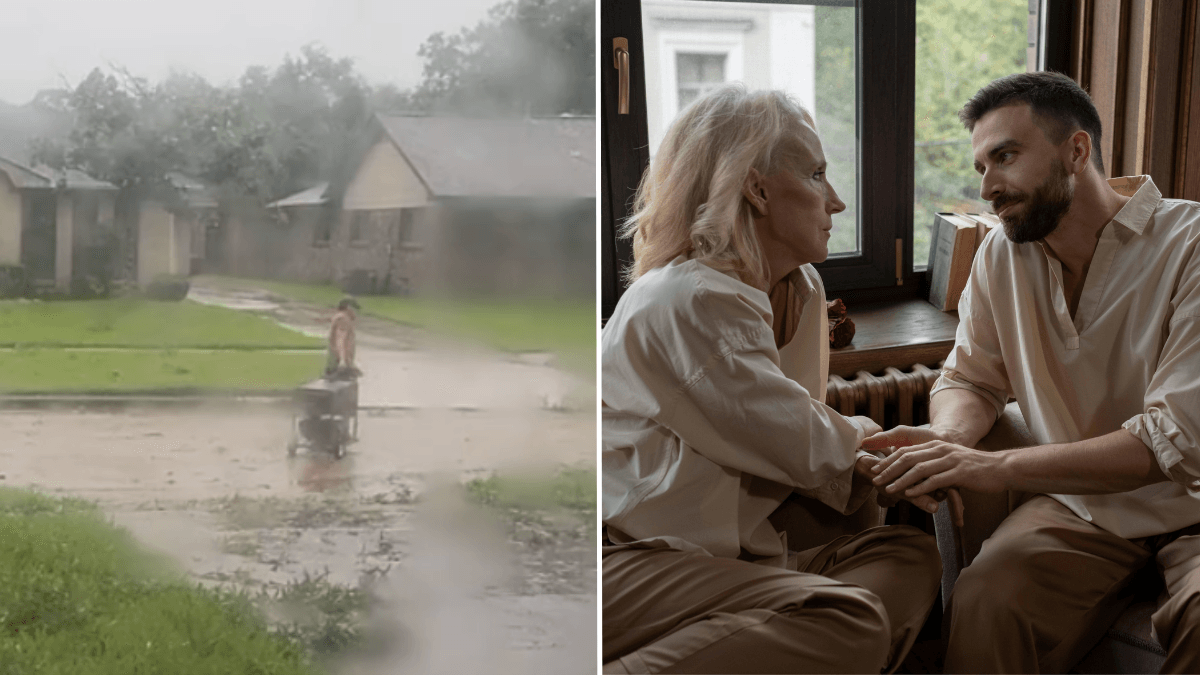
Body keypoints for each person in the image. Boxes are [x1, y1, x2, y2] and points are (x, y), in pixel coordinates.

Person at [865, 71, 1200, 673]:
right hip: (1084, 510)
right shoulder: (1000, 253)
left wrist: (995, 466)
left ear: (1077, 151)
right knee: (986, 597)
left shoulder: (1191, 245)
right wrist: (948, 442)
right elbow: (971, 379)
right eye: (981, 168)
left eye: (1006, 157)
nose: (988, 186)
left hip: (1196, 510)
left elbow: (1172, 441)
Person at [602, 84, 942, 674]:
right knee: (850, 619)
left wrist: (879, 460)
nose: (835, 201)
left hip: (721, 550)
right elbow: (795, 439)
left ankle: (750, 642)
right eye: (815, 175)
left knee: (907, 554)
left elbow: (799, 452)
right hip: (624, 553)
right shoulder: (690, 298)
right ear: (757, 189)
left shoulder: (798, 288)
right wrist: (890, 454)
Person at [325, 297, 361, 380]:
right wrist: (343, 361)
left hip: (339, 363)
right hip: (339, 365)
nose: (356, 313)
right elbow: (340, 339)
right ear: (348, 308)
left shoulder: (342, 318)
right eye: (355, 310)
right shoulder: (343, 319)